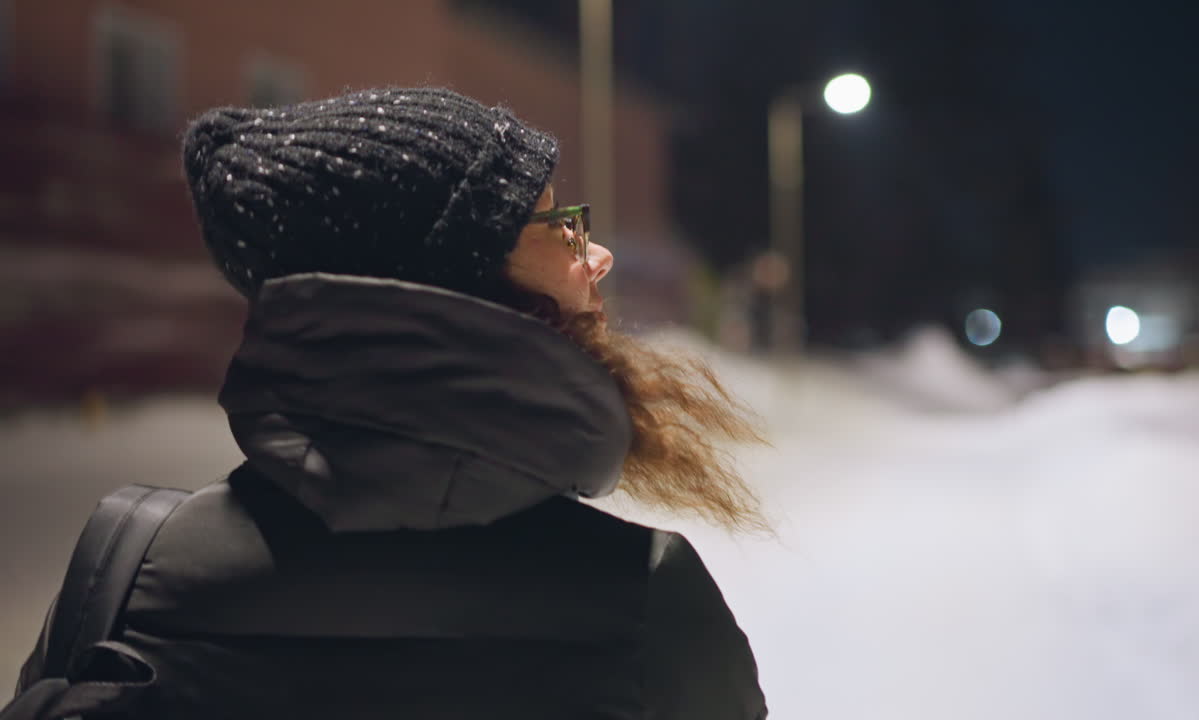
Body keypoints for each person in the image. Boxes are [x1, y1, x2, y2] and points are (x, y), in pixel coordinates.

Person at [16, 86, 768, 718]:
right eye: (557, 225)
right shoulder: (643, 602)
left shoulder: (124, 577)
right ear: (454, 285)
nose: (595, 254)